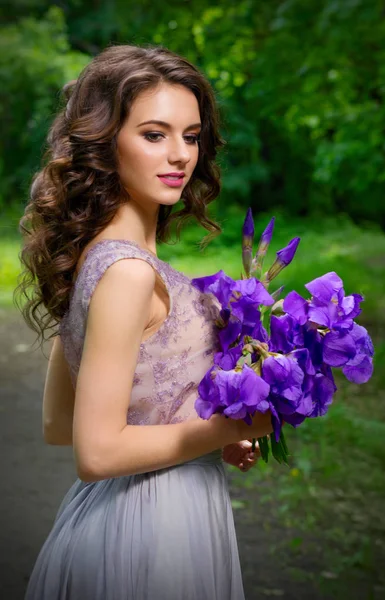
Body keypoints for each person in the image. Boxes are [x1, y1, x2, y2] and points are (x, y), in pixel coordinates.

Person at [16, 44, 273, 599]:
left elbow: (60, 422)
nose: (180, 154)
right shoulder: (127, 274)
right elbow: (97, 452)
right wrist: (234, 426)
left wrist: (208, 434)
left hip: (119, 516)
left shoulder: (93, 258)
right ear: (106, 143)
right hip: (153, 529)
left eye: (191, 134)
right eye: (154, 134)